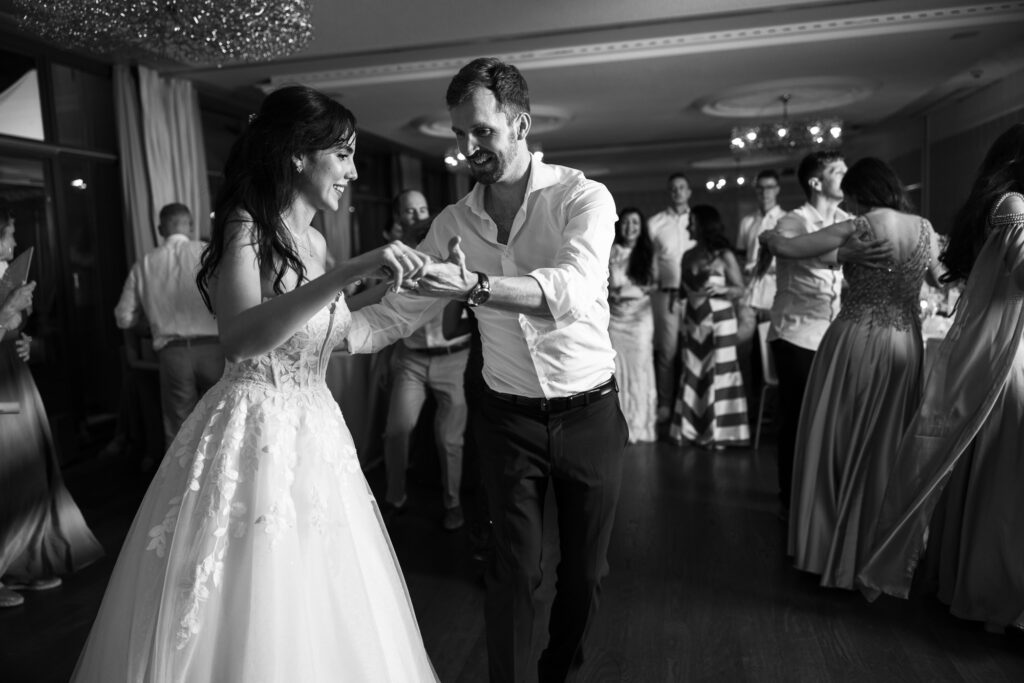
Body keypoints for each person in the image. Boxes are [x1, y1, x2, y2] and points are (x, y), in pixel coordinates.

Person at [71, 86, 438, 681]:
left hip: (317, 430)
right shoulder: (246, 227)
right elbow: (241, 337)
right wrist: (349, 271)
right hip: (254, 428)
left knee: (319, 586)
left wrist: (410, 289)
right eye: (341, 154)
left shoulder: (316, 242)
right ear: (298, 153)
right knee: (249, 582)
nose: (351, 169)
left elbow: (333, 330)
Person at [345, 57, 628, 683]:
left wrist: (471, 285)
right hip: (506, 424)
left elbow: (571, 291)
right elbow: (398, 311)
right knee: (509, 571)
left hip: (590, 416)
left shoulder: (583, 197)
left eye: (482, 131)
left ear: (520, 123)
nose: (468, 147)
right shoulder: (451, 223)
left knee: (585, 574)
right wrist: (324, 336)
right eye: (459, 134)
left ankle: (559, 672)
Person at [858, 123, 1024, 634]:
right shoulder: (1015, 206)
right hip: (1007, 359)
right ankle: (992, 592)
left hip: (1009, 351)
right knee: (1005, 474)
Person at [758, 158, 943, 589]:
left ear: (861, 194)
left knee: (839, 438)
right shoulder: (925, 229)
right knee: (888, 444)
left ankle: (831, 547)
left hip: (855, 338)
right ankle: (881, 548)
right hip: (905, 344)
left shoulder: (859, 226)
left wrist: (768, 235)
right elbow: (944, 277)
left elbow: (786, 248)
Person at [768, 151, 889, 517]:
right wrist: (843, 253)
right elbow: (789, 249)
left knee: (832, 417)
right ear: (816, 183)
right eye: (837, 170)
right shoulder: (794, 219)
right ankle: (791, 499)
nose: (846, 174)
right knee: (798, 417)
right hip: (796, 333)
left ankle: (823, 497)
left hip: (834, 332)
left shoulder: (847, 219)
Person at [0, 207, 103, 609]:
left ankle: (23, 561)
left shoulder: (5, 273)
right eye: (7, 234)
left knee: (28, 470)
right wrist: (7, 314)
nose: (12, 243)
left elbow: (12, 331)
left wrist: (21, 339)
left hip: (14, 378)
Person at [381, 190, 471, 532]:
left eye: (423, 208)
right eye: (409, 210)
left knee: (450, 439)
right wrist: (385, 363)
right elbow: (388, 316)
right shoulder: (393, 258)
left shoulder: (453, 249)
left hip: (455, 358)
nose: (418, 215)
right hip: (411, 359)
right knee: (396, 431)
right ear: (399, 219)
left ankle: (453, 503)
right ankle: (395, 499)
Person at [114, 202, 225, 451]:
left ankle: (180, 488)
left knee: (179, 430)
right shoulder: (209, 253)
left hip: (173, 354)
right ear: (191, 225)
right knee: (221, 421)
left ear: (159, 228)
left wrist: (149, 323)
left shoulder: (144, 264)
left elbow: (123, 317)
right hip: (215, 349)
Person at [669, 204, 749, 449]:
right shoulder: (687, 256)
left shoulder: (723, 255)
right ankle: (690, 430)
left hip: (720, 323)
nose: (688, 225)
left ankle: (721, 433)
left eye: (692, 221)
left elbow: (741, 288)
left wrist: (725, 289)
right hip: (693, 321)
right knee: (692, 371)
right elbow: (684, 291)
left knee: (718, 374)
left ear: (704, 225)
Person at [649, 173, 696, 426]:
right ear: (669, 193)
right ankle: (665, 404)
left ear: (689, 192)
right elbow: (648, 260)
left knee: (693, 352)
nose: (678, 192)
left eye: (682, 187)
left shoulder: (696, 222)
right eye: (673, 188)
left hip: (695, 297)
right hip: (665, 296)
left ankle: (688, 405)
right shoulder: (655, 223)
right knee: (667, 353)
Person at [608, 207, 657, 443]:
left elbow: (652, 283)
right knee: (617, 370)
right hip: (615, 318)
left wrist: (628, 292)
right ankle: (621, 425)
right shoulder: (611, 251)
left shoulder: (647, 252)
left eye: (635, 223)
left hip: (639, 318)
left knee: (638, 370)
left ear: (641, 227)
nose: (630, 227)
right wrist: (611, 293)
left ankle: (640, 425)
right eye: (626, 223)